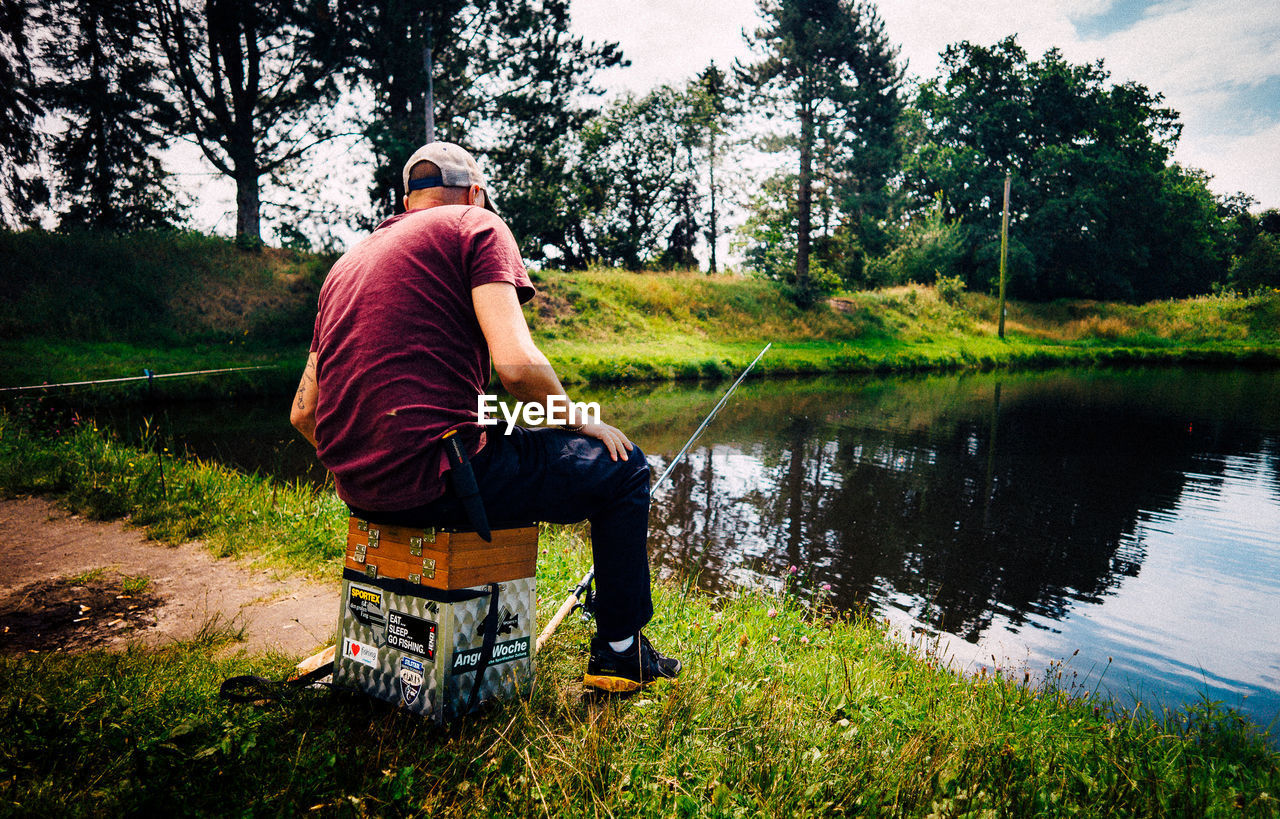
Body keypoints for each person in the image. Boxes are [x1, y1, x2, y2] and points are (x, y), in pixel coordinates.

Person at [290, 141, 679, 692]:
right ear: (475, 193)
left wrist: (372, 464)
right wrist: (579, 419)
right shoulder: (475, 224)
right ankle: (621, 652)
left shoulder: (346, 264)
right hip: (445, 478)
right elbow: (517, 368)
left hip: (360, 491)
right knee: (624, 469)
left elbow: (304, 413)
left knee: (502, 439)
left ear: (406, 200)